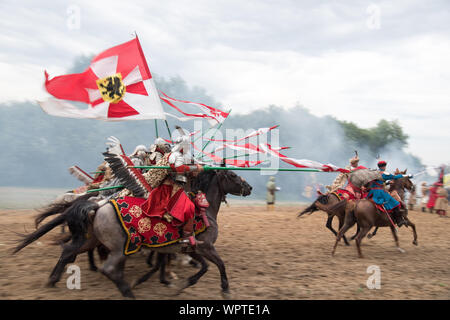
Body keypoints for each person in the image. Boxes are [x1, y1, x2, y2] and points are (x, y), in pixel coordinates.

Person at [140, 134, 204, 249]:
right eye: (187, 145)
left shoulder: (178, 155)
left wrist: (197, 166)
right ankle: (186, 237)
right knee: (190, 207)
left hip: (174, 186)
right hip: (167, 188)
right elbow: (178, 168)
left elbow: (186, 166)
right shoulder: (174, 155)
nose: (188, 148)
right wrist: (195, 168)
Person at [366, 160, 412, 227]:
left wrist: (387, 183)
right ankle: (399, 221)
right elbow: (395, 177)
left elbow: (378, 182)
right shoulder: (384, 174)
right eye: (385, 166)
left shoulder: (374, 172)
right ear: (384, 166)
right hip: (379, 192)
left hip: (371, 192)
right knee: (396, 203)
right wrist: (407, 175)